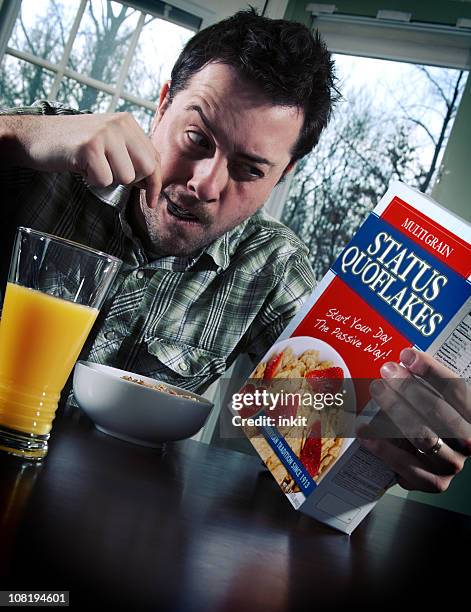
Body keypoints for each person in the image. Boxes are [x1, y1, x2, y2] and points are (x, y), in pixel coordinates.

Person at [0, 9, 469, 493]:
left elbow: (319, 436)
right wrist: (14, 135)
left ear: (283, 176)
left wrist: (390, 444)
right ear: (162, 105)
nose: (205, 183)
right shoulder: (40, 149)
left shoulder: (270, 265)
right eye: (197, 139)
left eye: (249, 170)